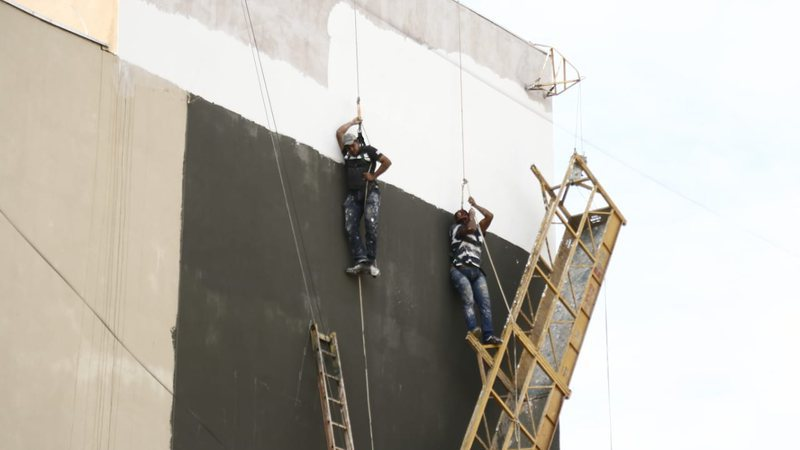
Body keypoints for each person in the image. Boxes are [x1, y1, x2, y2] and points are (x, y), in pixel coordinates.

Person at [335, 117, 392, 277]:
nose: (351, 149)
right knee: (349, 226)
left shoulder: (369, 151)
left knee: (370, 222)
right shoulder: (346, 153)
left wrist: (373, 176)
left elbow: (387, 162)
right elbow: (339, 132)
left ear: (357, 142)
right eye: (348, 147)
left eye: (352, 146)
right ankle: (360, 259)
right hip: (353, 195)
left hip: (369, 191)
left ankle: (371, 261)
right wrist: (353, 122)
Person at [449, 196, 502, 345]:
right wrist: (471, 215)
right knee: (468, 299)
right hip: (459, 269)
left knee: (485, 304)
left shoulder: (479, 230)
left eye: (463, 213)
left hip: (476, 272)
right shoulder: (456, 229)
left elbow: (489, 216)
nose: (461, 215)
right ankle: (473, 328)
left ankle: (488, 335)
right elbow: (470, 228)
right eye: (458, 215)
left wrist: (475, 205)